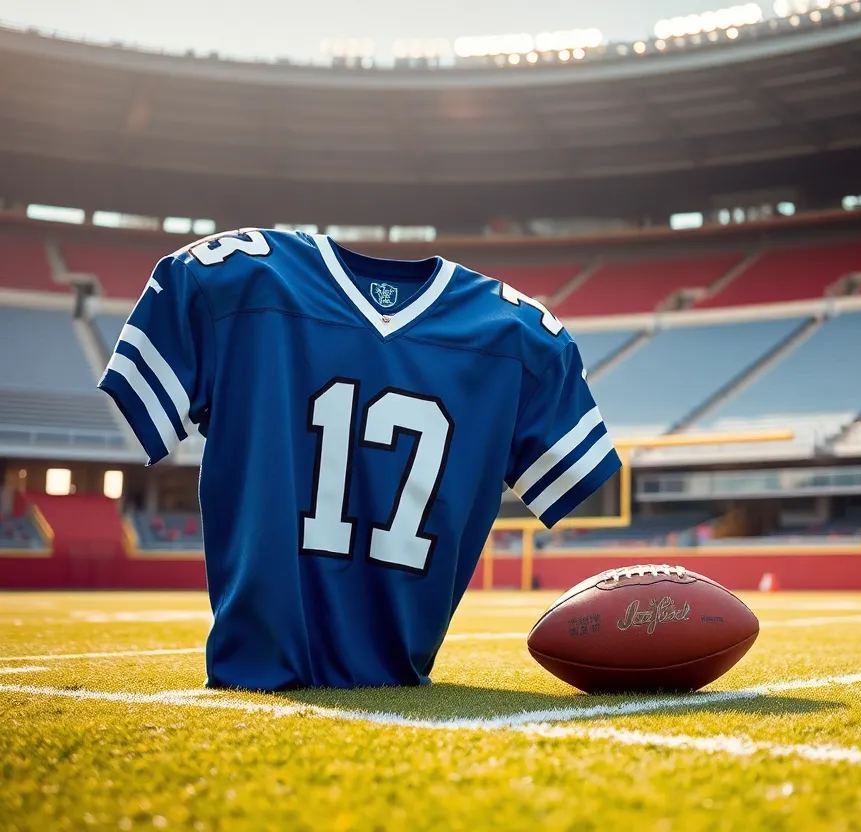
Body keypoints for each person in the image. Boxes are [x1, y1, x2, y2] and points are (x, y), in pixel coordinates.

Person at [99, 229, 619, 690]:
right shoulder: (524, 333)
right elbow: (568, 473)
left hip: (255, 670)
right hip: (396, 674)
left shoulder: (226, 274)